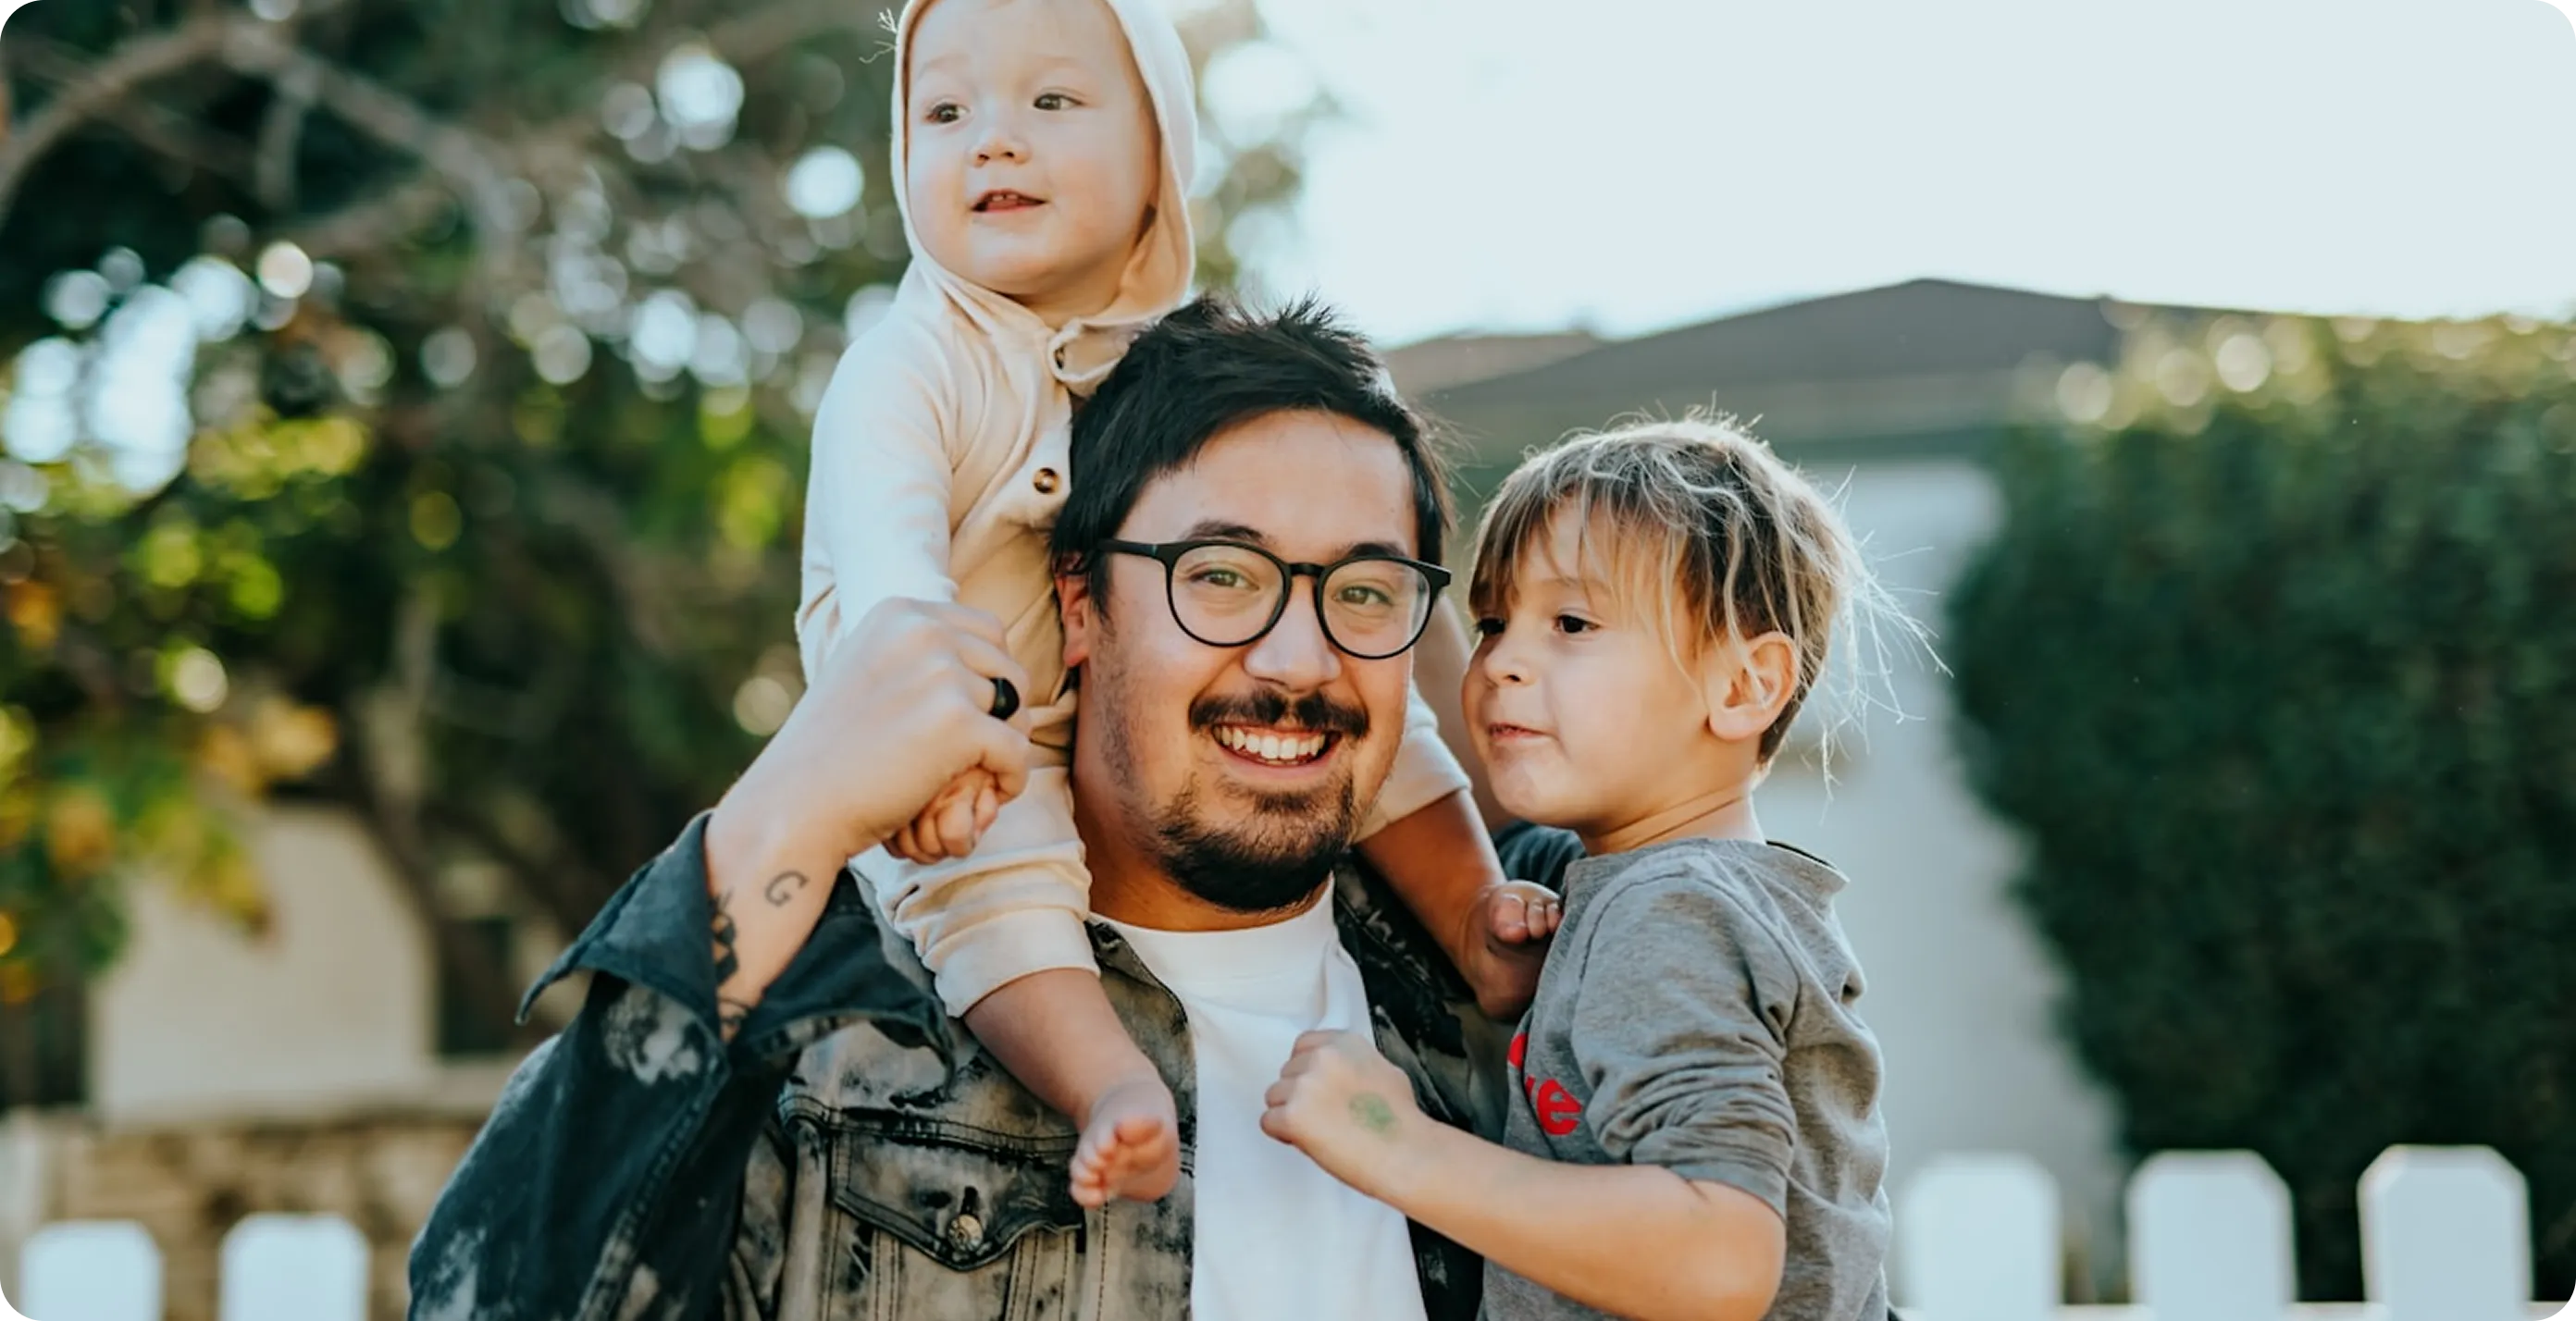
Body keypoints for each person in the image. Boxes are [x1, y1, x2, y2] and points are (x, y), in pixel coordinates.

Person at [407, 295, 1546, 1321]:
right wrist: (791, 806)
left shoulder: (1538, 999)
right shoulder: (838, 1042)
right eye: (1220, 577)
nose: (1300, 659)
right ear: (1080, 605)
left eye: (1363, 592)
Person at [795, 0, 1537, 1209]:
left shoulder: (1179, 371)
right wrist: (932, 752)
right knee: (994, 889)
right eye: (945, 113)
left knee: (1370, 712)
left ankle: (1474, 920)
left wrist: (1372, 574)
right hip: (957, 748)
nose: (993, 141)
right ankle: (1108, 1085)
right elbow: (891, 586)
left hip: (1054, 714)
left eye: (1050, 103)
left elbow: (1370, 608)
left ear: (1161, 166)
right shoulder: (909, 364)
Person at [1262, 417, 1903, 1321]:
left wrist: (1394, 1144)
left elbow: (1719, 1255)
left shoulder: (1671, 911)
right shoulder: (1655, 889)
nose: (1502, 664)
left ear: (1744, 686)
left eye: (1571, 622)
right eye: (1492, 622)